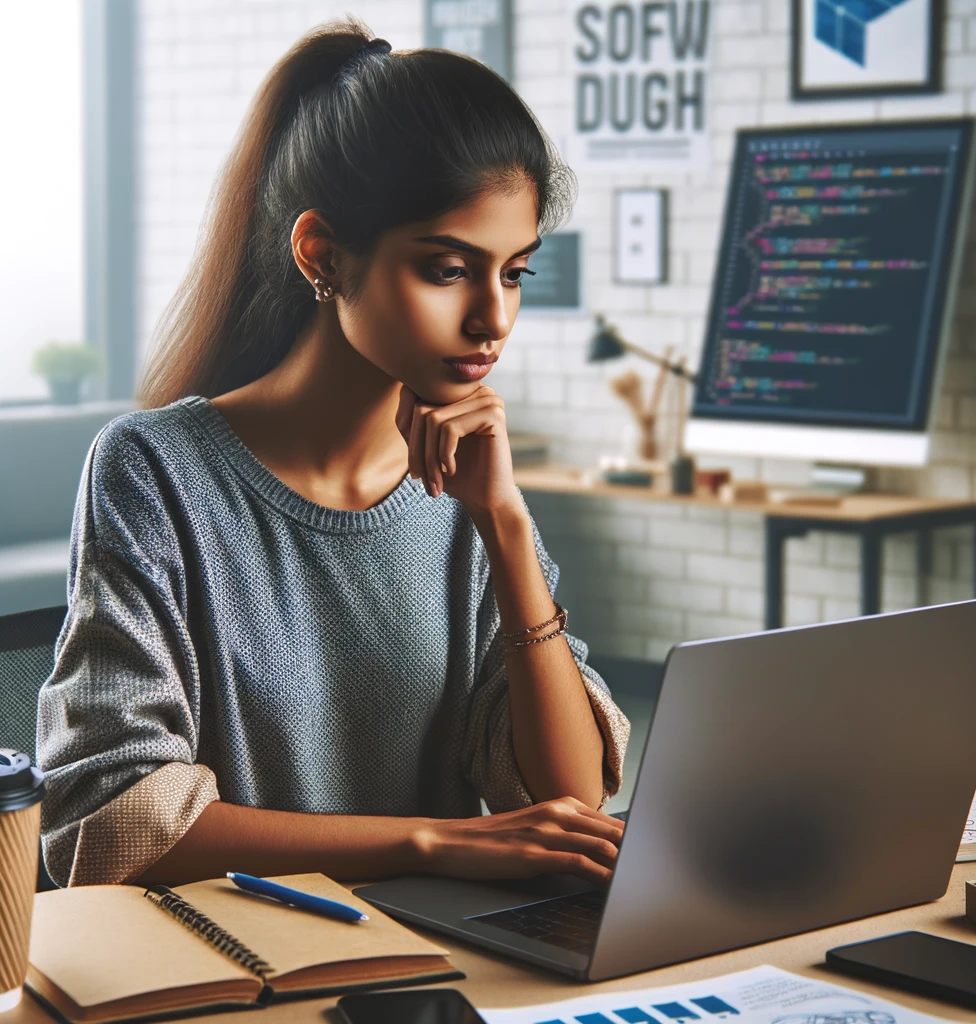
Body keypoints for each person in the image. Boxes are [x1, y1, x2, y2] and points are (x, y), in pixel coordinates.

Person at [36, 19, 629, 890]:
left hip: (433, 968)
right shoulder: (155, 471)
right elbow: (113, 817)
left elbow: (570, 803)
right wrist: (428, 842)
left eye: (513, 273)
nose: (493, 320)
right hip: (228, 973)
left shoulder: (467, 492)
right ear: (322, 255)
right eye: (446, 269)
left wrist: (504, 525)